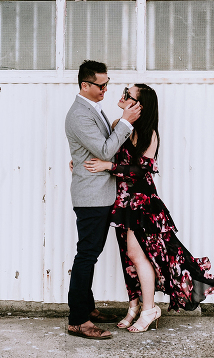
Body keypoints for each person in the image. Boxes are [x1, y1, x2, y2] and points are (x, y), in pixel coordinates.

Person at [85, 84, 214, 333]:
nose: (123, 95)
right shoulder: (121, 124)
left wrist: (108, 167)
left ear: (140, 105)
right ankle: (134, 306)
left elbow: (141, 171)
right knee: (129, 258)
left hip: (143, 204)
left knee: (139, 256)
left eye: (129, 95)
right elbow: (105, 151)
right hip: (123, 202)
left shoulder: (149, 133)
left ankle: (149, 308)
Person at [64, 60, 142, 340]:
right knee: (86, 256)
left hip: (98, 193)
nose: (106, 89)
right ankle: (78, 320)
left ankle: (88, 308)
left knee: (89, 254)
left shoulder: (91, 109)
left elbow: (96, 147)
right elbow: (106, 151)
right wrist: (126, 123)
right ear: (85, 85)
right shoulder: (79, 114)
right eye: (101, 85)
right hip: (91, 196)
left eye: (108, 83)